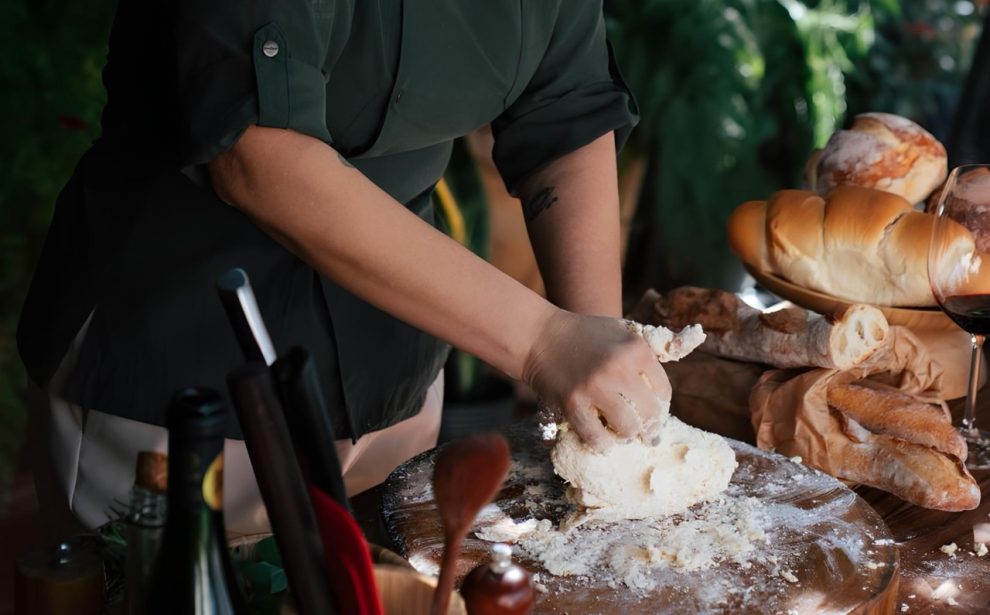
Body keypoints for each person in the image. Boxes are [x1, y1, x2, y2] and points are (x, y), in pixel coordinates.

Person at [18, 0, 671, 537]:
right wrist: (540, 340)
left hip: (396, 367)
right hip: (182, 373)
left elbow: (568, 109)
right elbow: (258, 156)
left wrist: (595, 369)